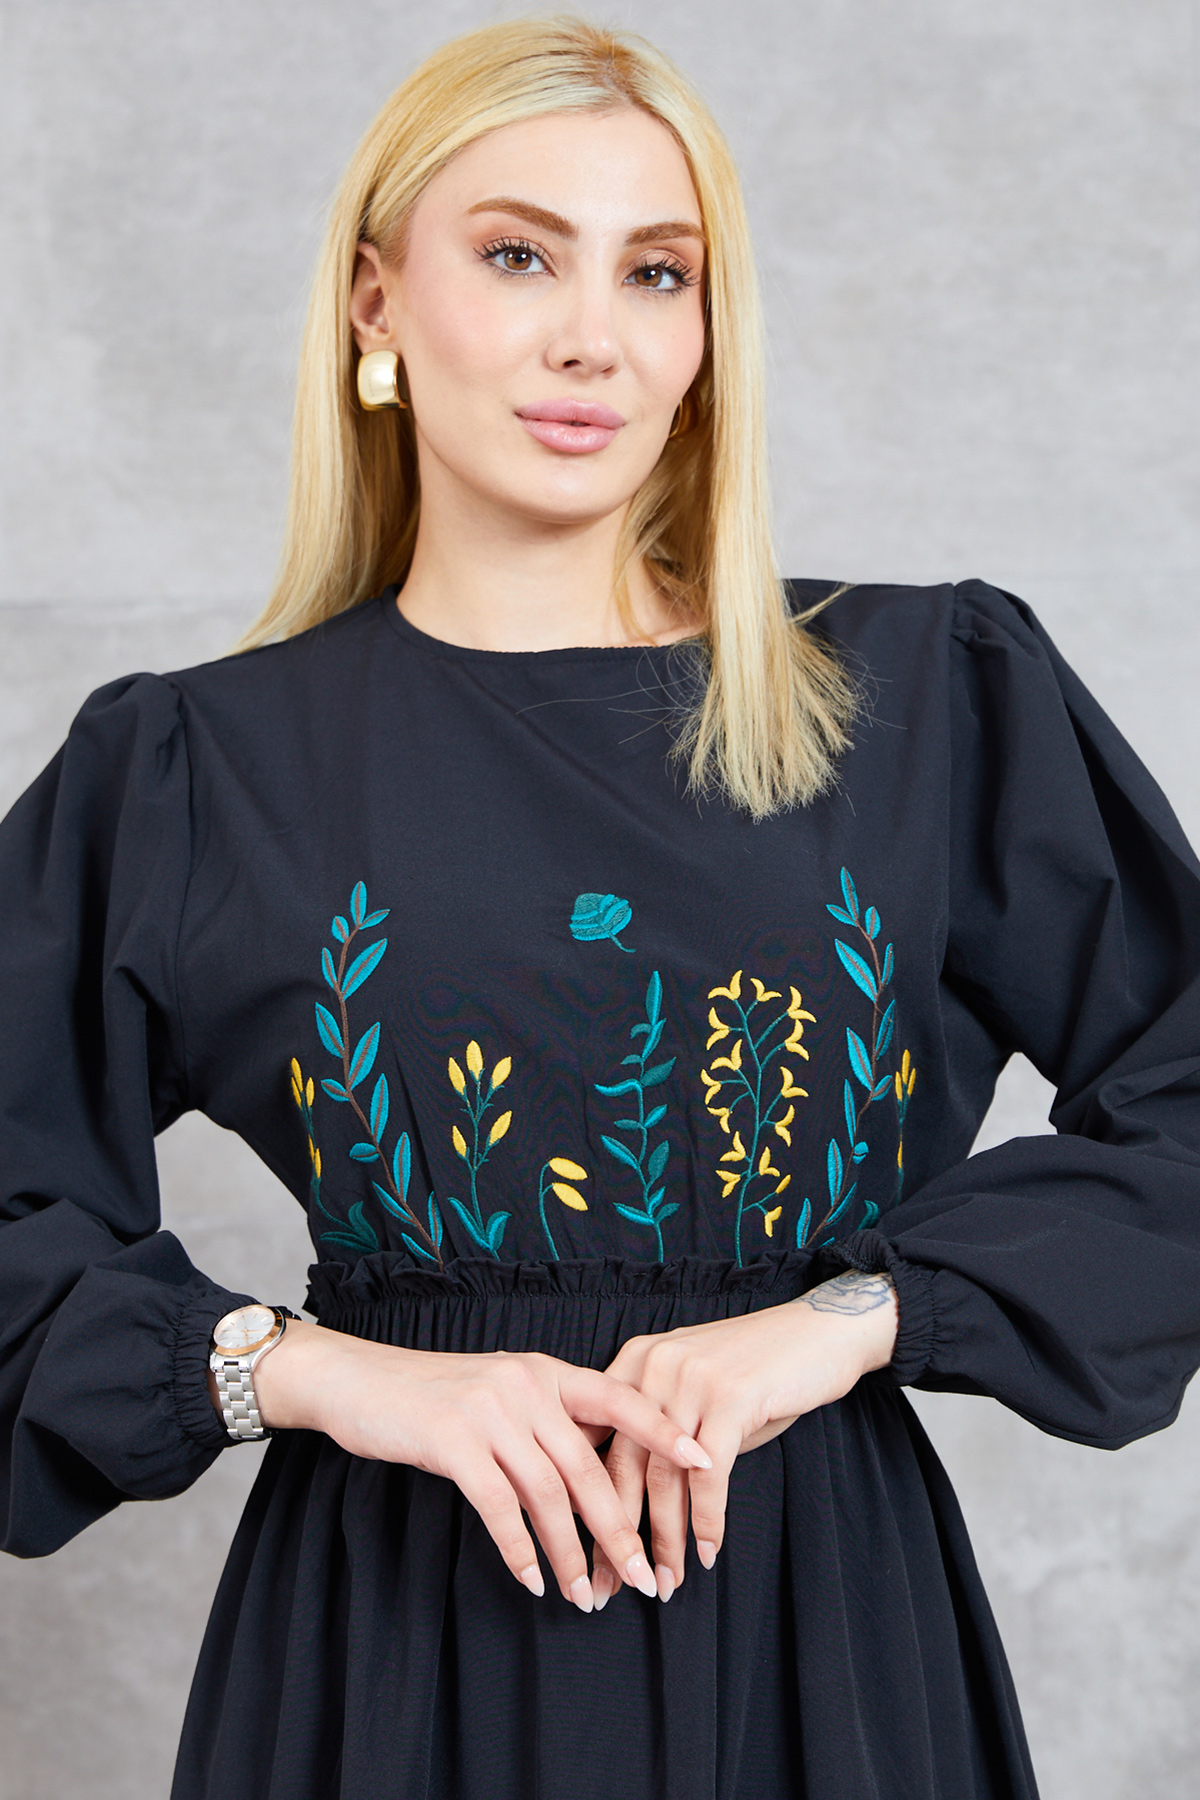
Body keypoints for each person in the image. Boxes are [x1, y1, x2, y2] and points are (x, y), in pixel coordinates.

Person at [2, 15, 1199, 1798]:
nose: (594, 336)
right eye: (516, 256)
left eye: (658, 271)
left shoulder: (927, 699)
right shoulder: (196, 768)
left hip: (821, 1635)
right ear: (374, 302)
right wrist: (316, 1371)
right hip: (386, 1658)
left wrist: (852, 1320)